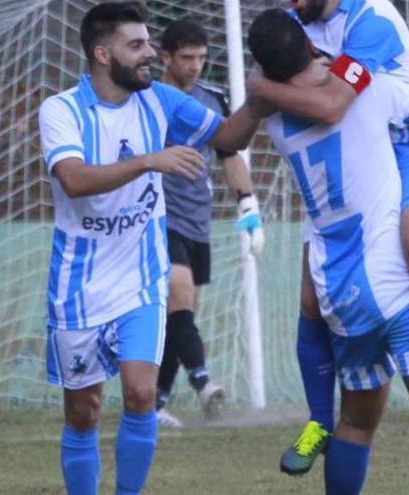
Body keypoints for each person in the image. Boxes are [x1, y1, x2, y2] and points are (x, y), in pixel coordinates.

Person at [38, 2, 262, 492]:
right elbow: (73, 180)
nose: (147, 55)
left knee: (141, 395)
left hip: (141, 276)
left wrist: (263, 99)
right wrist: (147, 162)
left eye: (148, 44)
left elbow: (226, 135)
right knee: (84, 410)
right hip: (79, 284)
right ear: (101, 54)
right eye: (135, 45)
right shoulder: (61, 110)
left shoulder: (160, 99)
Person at [247, 0, 409, 473]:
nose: (290, 5)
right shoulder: (297, 25)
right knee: (311, 299)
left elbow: (332, 103)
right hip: (358, 153)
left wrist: (259, 93)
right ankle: (318, 420)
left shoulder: (371, 22)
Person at [154, 17, 265, 428]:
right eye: (187, 58)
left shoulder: (212, 98)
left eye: (201, 57)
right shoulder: (149, 97)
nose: (196, 65)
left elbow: (230, 154)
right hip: (158, 217)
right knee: (178, 295)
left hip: (197, 220)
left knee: (182, 313)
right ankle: (203, 384)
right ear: (165, 57)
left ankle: (155, 404)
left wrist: (247, 203)